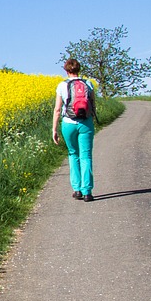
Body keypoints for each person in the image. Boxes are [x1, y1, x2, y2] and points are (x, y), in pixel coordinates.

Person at [52, 58, 97, 201]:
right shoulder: (88, 84)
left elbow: (58, 109)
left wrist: (54, 129)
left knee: (73, 154)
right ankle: (87, 192)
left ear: (66, 70)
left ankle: (77, 189)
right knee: (86, 156)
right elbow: (93, 105)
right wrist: (91, 121)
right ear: (79, 69)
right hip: (86, 123)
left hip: (68, 124)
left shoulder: (62, 86)